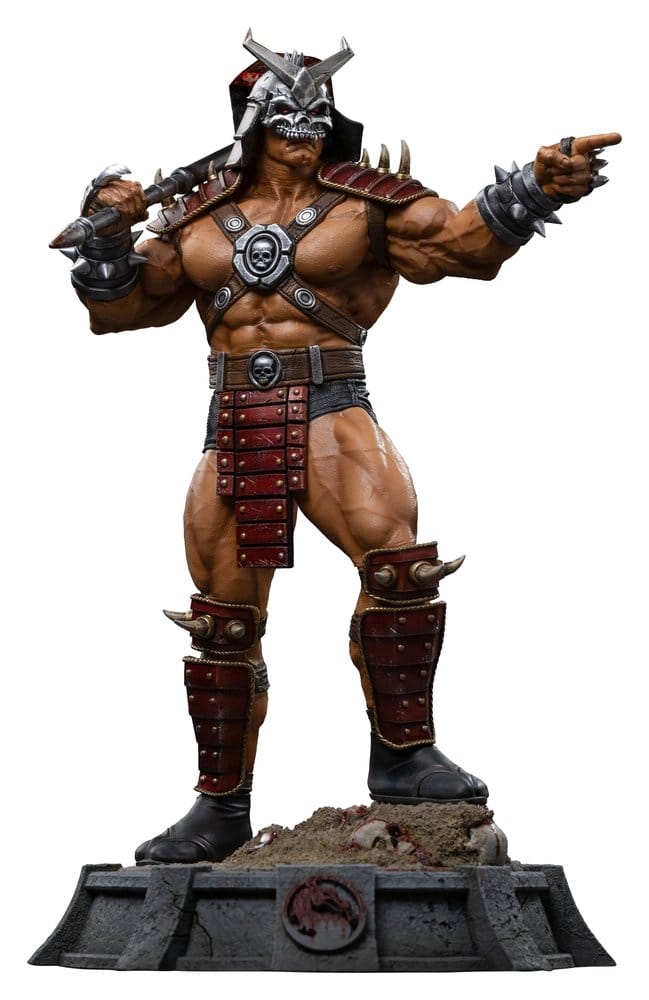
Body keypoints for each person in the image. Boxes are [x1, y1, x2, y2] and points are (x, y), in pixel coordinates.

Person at [60, 32, 620, 864]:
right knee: (222, 619)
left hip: (331, 404)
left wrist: (536, 187)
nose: (304, 124)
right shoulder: (196, 214)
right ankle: (219, 808)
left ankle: (404, 759)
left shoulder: (367, 202)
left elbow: (457, 243)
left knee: (397, 568)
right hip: (234, 416)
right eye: (285, 110)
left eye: (317, 109)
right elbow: (121, 311)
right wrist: (107, 238)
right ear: (252, 120)